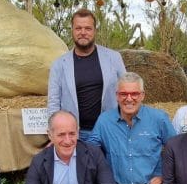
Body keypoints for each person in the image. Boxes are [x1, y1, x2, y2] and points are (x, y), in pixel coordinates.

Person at [88, 72, 177, 184]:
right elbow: (91, 150)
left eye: (134, 94)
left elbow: (174, 148)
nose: (129, 99)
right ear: (117, 96)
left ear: (142, 95)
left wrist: (161, 174)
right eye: (124, 94)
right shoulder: (104, 121)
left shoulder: (158, 118)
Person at [47, 8, 127, 140]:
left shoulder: (114, 58)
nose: (83, 32)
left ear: (95, 31)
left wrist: (126, 124)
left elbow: (126, 91)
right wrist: (54, 134)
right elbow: (53, 102)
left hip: (110, 131)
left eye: (88, 28)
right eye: (78, 28)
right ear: (72, 30)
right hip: (74, 135)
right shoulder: (59, 64)